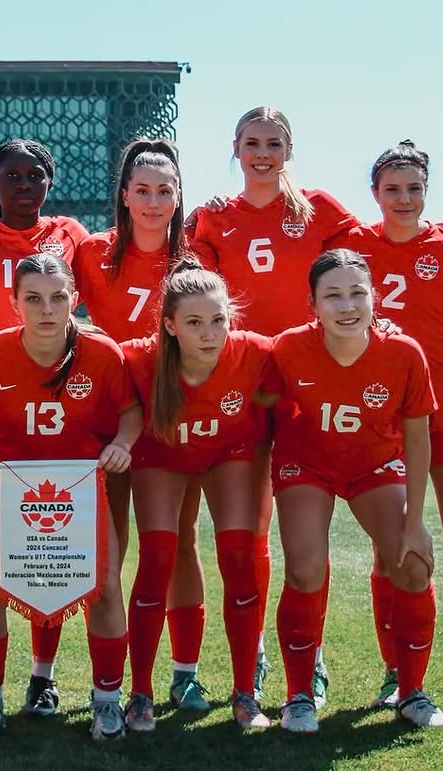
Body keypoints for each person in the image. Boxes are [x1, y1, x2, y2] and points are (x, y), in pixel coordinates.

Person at [329, 140, 443, 715]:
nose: (404, 198)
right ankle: (396, 672)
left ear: (426, 190)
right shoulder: (353, 243)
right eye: (392, 188)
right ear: (375, 193)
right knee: (393, 550)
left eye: (414, 187)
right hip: (386, 412)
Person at [186, 107, 360, 706]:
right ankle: (256, 649)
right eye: (253, 142)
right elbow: (196, 297)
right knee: (250, 532)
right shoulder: (214, 217)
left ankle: (308, 654)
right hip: (245, 381)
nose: (263, 153)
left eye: (274, 143)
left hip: (310, 382)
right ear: (235, 148)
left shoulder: (320, 210)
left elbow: (372, 260)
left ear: (290, 150)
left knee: (308, 536)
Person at [0, 254, 142, 742]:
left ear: (74, 299)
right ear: (14, 304)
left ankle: (107, 701)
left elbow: (131, 412)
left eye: (57, 297)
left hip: (81, 491)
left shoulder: (101, 351)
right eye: (33, 298)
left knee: (104, 586)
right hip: (7, 488)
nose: (46, 309)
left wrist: (122, 443)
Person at [260, 248, 443, 733]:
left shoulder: (403, 352)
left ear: (375, 298)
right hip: (306, 465)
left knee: (412, 563)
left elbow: (417, 438)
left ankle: (411, 693)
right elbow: (259, 408)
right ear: (313, 305)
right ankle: (300, 695)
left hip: (374, 465)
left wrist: (415, 523)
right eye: (333, 296)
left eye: (357, 293)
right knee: (305, 568)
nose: (347, 305)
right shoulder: (287, 349)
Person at [0, 139, 89, 715]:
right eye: (13, 175)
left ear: (49, 184)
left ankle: (43, 677)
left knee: (48, 557)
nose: (25, 184)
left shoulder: (72, 236)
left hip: (57, 413)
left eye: (36, 175)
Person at [76, 139, 217, 711]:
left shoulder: (195, 259)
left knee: (177, 545)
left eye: (165, 190)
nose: (154, 202)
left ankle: (184, 673)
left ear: (178, 196)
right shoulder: (90, 253)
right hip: (103, 426)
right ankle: (105, 682)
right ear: (125, 196)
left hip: (169, 421)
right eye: (143, 191)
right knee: (106, 555)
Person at [120, 259, 273, 731]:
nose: (210, 334)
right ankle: (140, 692)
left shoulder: (256, 353)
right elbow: (83, 351)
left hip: (231, 452)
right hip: (160, 456)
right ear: (168, 325)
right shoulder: (137, 359)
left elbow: (314, 345)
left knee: (239, 556)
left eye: (218, 320)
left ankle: (245, 693)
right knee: (160, 556)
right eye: (193, 322)